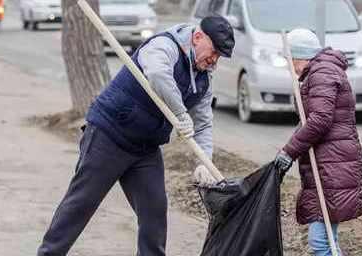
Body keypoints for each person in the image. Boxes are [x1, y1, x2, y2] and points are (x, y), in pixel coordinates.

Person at [37, 16, 235, 256]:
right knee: (81, 203)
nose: (214, 60)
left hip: (145, 149)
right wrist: (180, 112)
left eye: (219, 57)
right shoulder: (164, 46)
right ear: (197, 37)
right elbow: (158, 74)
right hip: (109, 136)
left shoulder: (203, 78)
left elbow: (203, 125)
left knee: (154, 211)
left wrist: (205, 161)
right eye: (214, 51)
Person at [273, 28, 362, 256]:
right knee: (328, 242)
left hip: (332, 167)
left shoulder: (321, 73)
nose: (288, 66)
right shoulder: (321, 71)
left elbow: (320, 121)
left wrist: (289, 152)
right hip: (330, 165)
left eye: (288, 60)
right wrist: (288, 149)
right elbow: (309, 121)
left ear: (299, 56)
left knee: (321, 243)